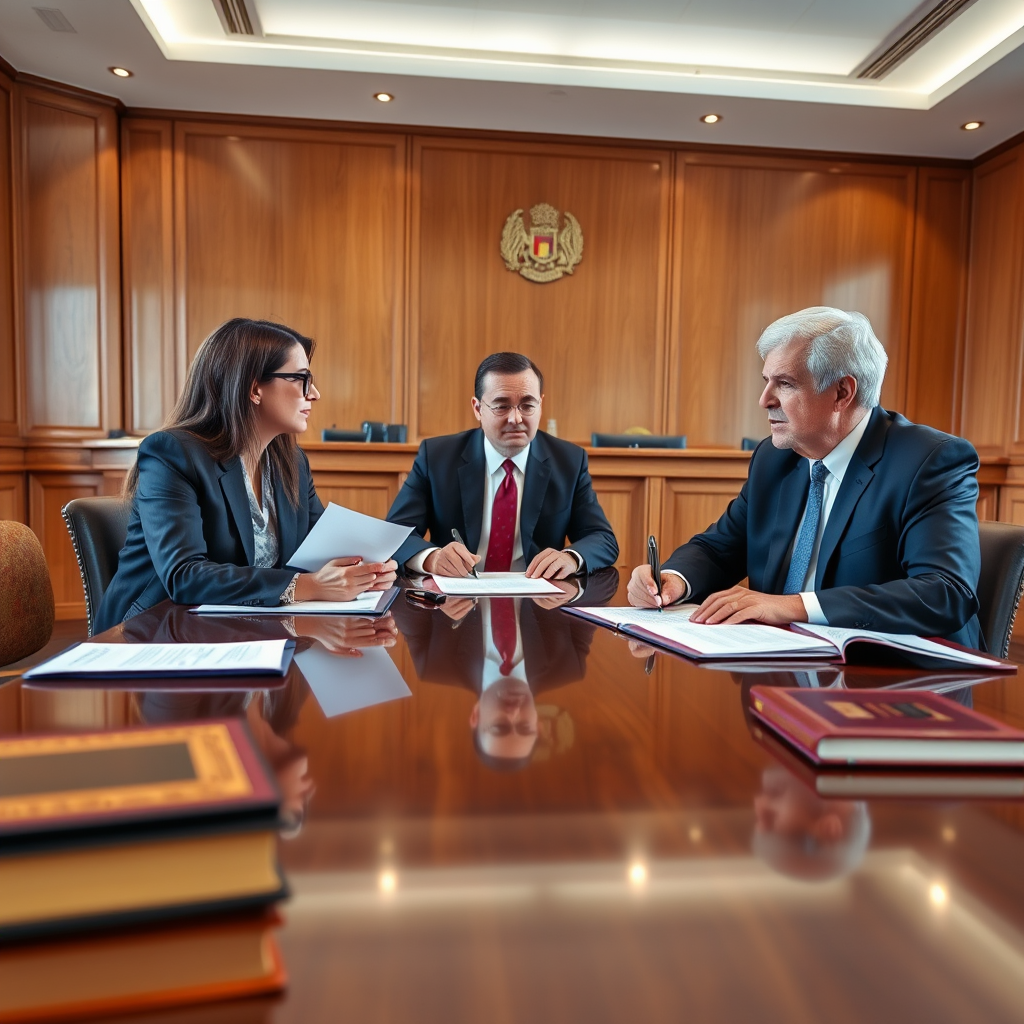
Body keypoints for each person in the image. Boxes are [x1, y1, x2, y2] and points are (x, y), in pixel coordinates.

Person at [628, 307, 982, 647]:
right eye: (766, 381)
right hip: (783, 661)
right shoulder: (774, 459)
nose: (764, 400)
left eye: (785, 384)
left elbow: (945, 592)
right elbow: (719, 549)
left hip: (898, 674)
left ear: (842, 393)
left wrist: (794, 606)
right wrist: (672, 580)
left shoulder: (928, 461)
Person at [96, 318, 397, 632]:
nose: (315, 394)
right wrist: (307, 586)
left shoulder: (291, 463)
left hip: (240, 631)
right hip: (153, 633)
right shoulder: (172, 453)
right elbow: (184, 575)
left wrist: (368, 569)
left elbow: (322, 546)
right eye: (302, 379)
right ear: (255, 388)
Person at [387, 351, 618, 578]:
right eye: (501, 406)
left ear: (541, 405)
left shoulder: (569, 461)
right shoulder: (437, 457)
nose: (515, 419)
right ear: (478, 408)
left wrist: (571, 558)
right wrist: (432, 558)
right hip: (457, 594)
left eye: (527, 405)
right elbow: (392, 535)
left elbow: (603, 539)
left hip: (537, 597)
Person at [393, 569, 619, 769]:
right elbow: (605, 586)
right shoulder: (569, 666)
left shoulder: (434, 665)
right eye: (525, 726)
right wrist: (573, 586)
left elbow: (400, 595)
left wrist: (431, 582)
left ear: (476, 716)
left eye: (500, 726)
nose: (513, 713)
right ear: (537, 723)